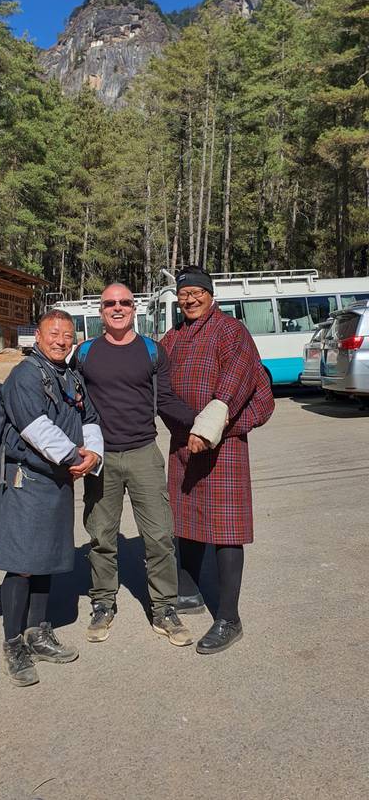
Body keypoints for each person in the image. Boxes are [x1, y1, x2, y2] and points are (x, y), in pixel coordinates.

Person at [73, 283, 197, 647]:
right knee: (101, 535)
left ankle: (164, 608)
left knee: (159, 535)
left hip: (144, 452)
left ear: (134, 309)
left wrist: (199, 421)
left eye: (124, 302)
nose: (117, 308)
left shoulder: (151, 351)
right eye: (109, 303)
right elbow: (69, 400)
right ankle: (103, 602)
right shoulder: (84, 353)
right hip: (100, 458)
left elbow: (167, 399)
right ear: (100, 311)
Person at [161, 265, 274, 655]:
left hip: (222, 444)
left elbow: (236, 384)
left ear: (211, 295)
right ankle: (189, 593)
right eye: (184, 294)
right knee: (186, 520)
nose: (190, 299)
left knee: (227, 529)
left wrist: (209, 428)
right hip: (182, 442)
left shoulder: (231, 332)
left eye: (197, 292)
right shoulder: (171, 337)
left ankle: (229, 617)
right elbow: (158, 387)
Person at [0, 309, 103, 685]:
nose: (61, 340)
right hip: (29, 481)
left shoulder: (70, 375)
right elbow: (34, 427)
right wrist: (75, 457)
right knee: (22, 561)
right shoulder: (25, 375)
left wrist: (94, 455)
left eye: (67, 335)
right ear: (36, 337)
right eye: (53, 333)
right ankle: (13, 645)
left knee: (47, 559)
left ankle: (37, 633)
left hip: (58, 480)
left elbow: (90, 419)